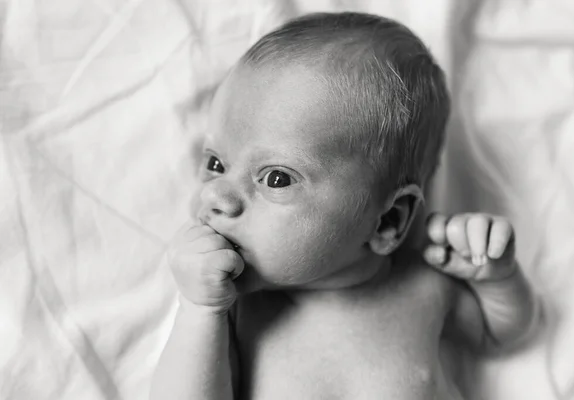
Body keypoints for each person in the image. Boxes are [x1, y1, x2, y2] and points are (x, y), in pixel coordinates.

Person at [150, 12, 540, 400]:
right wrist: (198, 310)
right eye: (216, 164)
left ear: (388, 220)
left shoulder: (421, 285)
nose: (215, 196)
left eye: (277, 178)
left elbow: (500, 333)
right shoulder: (235, 311)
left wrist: (497, 277)